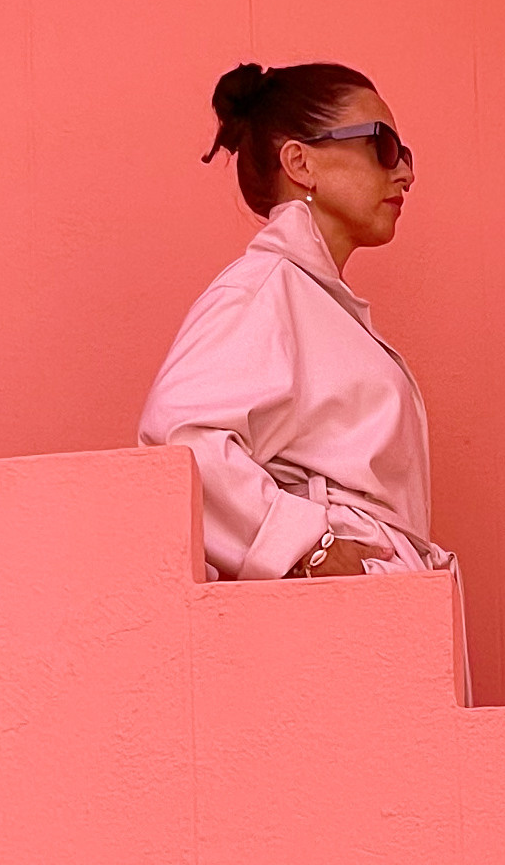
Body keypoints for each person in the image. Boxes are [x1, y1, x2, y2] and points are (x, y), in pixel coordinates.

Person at [139, 60, 454, 590]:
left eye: (404, 154)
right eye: (383, 146)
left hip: (379, 604)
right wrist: (309, 547)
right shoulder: (265, 289)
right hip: (335, 607)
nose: (405, 172)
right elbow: (179, 439)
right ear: (300, 162)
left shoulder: (312, 300)